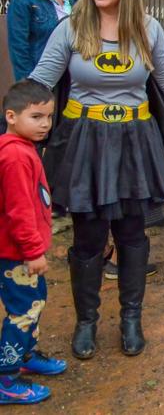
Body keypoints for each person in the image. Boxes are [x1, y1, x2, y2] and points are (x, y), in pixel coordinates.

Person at [29, 0, 164, 360]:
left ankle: (131, 317)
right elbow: (41, 80)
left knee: (131, 233)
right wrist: (10, 125)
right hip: (84, 140)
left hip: (134, 141)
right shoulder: (72, 26)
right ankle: (86, 321)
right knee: (88, 236)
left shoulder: (149, 28)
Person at [0, 80, 66, 405]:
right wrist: (32, 251)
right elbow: (19, 210)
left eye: (49, 117)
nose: (44, 124)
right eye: (36, 117)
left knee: (35, 301)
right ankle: (6, 378)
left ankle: (25, 355)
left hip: (25, 253)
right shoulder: (14, 157)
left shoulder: (24, 149)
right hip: (17, 255)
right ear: (11, 116)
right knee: (22, 311)